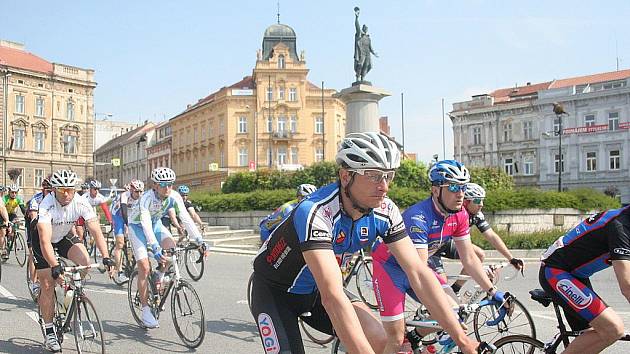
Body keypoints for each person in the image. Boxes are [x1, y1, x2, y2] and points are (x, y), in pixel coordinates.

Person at [250, 132, 480, 354]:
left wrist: (462, 339)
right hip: (275, 294)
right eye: (372, 175)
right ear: (345, 176)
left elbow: (418, 272)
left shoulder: (386, 210)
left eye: (388, 175)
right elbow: (332, 297)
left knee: (383, 342)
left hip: (316, 294)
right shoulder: (316, 213)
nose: (384, 186)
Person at [379, 160, 506, 351]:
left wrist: (493, 291)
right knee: (396, 339)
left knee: (455, 311)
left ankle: (415, 335)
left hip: (418, 268)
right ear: (436, 190)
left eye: (463, 187)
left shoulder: (460, 214)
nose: (460, 193)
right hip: (391, 269)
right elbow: (419, 273)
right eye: (453, 187)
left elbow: (469, 259)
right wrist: (445, 315)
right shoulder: (418, 217)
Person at [31, 169, 113, 352]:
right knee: (47, 284)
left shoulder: (81, 202)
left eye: (70, 189)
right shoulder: (46, 205)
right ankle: (50, 331)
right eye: (62, 190)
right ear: (54, 190)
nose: (66, 194)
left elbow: (95, 230)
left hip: (62, 236)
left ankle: (69, 293)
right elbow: (45, 241)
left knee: (85, 260)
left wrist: (106, 257)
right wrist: (55, 266)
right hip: (42, 241)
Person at [539, 206, 630, 354]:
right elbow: (627, 286)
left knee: (595, 338)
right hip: (556, 272)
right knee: (613, 329)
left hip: (576, 276)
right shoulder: (620, 226)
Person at [127, 167, 207, 329]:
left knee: (172, 250)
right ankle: (145, 310)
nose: (168, 188)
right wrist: (155, 248)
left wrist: (199, 240)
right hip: (138, 228)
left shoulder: (174, 196)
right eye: (164, 185)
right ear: (155, 185)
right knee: (144, 266)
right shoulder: (146, 199)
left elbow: (185, 218)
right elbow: (145, 225)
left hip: (156, 225)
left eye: (170, 184)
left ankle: (160, 275)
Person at [428, 182, 524, 295]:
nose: (481, 204)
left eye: (482, 200)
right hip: (433, 248)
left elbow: (491, 236)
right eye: (477, 201)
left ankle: (456, 288)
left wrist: (511, 258)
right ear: (466, 202)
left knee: (479, 255)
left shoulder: (476, 215)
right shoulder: (454, 213)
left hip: (448, 243)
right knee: (443, 287)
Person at [110, 179, 144, 284]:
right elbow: (124, 212)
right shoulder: (124, 195)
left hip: (130, 215)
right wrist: (127, 225)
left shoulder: (142, 197)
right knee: (120, 244)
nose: (139, 194)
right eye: (136, 192)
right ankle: (120, 272)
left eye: (141, 192)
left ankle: (132, 259)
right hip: (118, 215)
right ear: (131, 190)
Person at [25, 177, 53, 296]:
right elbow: (34, 218)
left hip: (49, 225)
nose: (49, 193)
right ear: (42, 189)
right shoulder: (36, 199)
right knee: (34, 252)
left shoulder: (54, 198)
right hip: (33, 225)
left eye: (51, 190)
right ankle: (34, 282)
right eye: (47, 190)